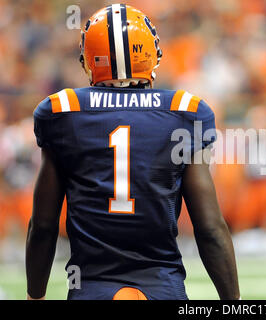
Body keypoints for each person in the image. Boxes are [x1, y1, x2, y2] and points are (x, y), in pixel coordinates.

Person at [25, 4, 239, 300]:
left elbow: (44, 225)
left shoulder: (63, 112)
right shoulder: (184, 112)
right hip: (162, 288)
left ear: (88, 59)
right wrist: (233, 303)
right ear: (152, 54)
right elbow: (210, 229)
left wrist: (35, 296)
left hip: (91, 288)